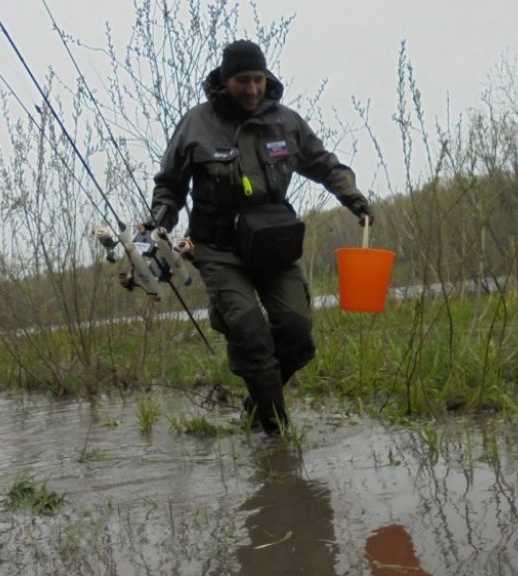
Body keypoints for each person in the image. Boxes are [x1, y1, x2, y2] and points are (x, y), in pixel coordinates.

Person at [149, 40, 374, 435]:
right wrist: (158, 222)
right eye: (242, 81)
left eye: (257, 79)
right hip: (217, 248)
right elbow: (170, 186)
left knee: (297, 334)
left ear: (266, 77)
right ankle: (277, 437)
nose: (251, 89)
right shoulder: (196, 124)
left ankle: (257, 405)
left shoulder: (285, 122)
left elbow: (324, 164)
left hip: (275, 247)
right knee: (251, 333)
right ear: (224, 80)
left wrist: (354, 200)